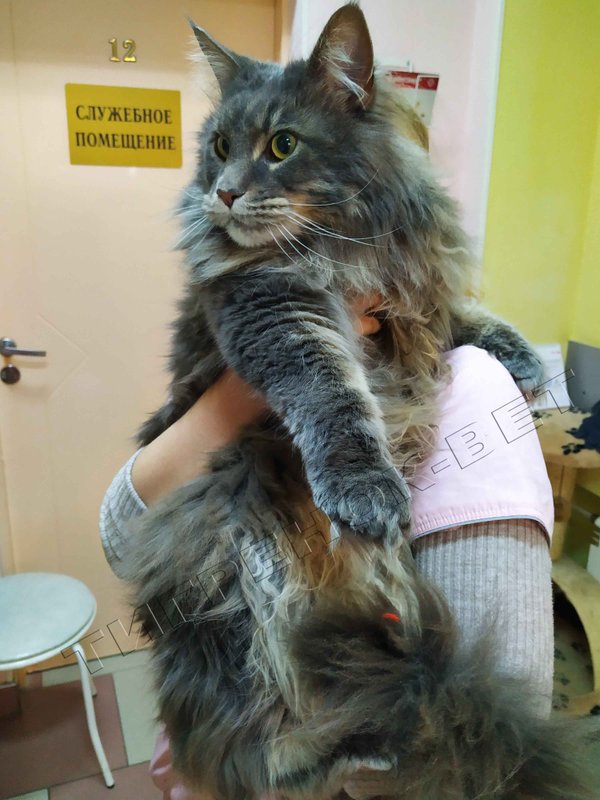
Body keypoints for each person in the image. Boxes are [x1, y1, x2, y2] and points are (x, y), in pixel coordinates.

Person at [99, 295, 554, 800]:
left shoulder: (468, 391)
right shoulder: (239, 355)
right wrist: (266, 361)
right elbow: (122, 541)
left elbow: (482, 751)